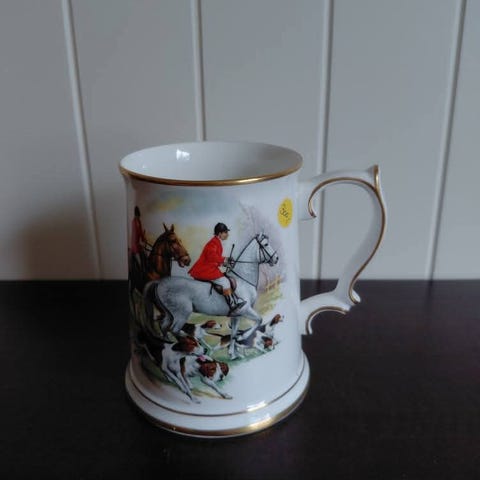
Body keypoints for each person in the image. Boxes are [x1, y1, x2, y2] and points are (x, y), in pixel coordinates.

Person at [188, 223, 246, 315]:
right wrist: (225, 259)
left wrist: (225, 263)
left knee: (226, 278)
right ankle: (232, 305)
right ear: (219, 233)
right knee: (225, 282)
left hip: (209, 268)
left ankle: (235, 300)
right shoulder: (213, 243)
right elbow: (212, 257)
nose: (227, 234)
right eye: (225, 232)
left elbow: (215, 259)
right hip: (205, 270)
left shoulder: (216, 242)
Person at [131, 206, 147, 271]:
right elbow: (137, 233)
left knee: (145, 254)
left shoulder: (139, 221)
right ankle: (140, 272)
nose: (138, 217)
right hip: (134, 245)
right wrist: (142, 240)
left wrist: (144, 239)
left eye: (138, 216)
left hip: (138, 244)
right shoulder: (134, 222)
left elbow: (141, 232)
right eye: (137, 216)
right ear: (135, 215)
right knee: (139, 262)